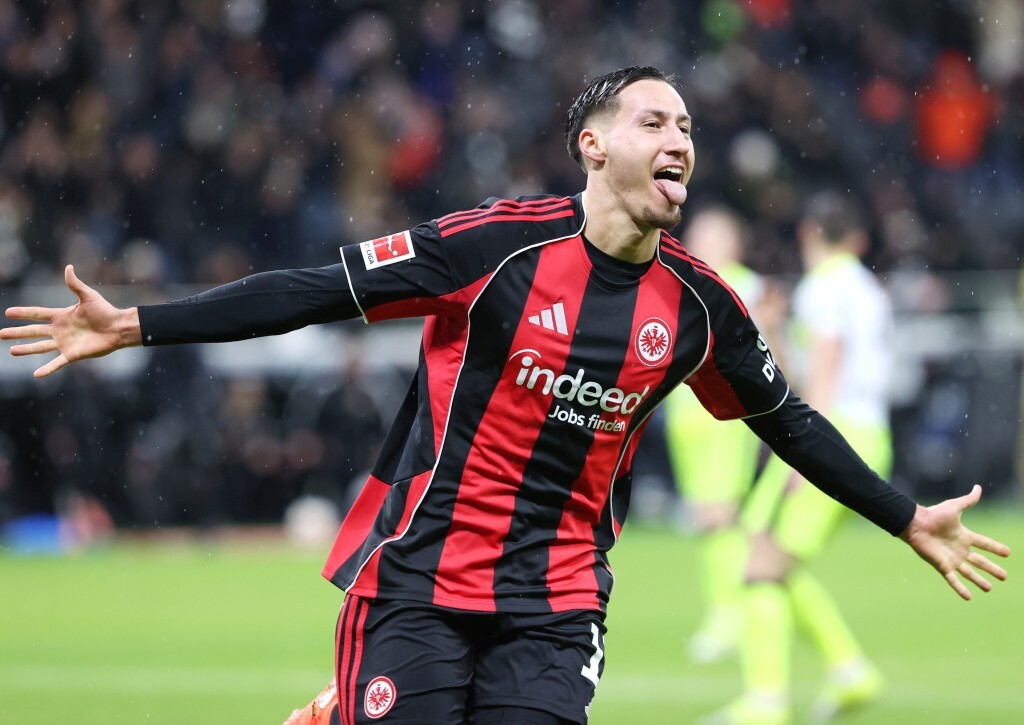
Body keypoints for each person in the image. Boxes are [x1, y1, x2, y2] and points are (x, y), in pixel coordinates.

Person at [1, 66, 1010, 725]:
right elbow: (316, 290)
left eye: (687, 126)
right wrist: (138, 322)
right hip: (421, 576)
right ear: (593, 145)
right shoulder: (491, 247)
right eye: (654, 120)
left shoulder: (700, 306)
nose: (679, 139)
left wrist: (903, 515)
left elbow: (787, 419)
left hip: (558, 599)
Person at [700, 192, 902, 725]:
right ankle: (847, 669)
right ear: (857, 240)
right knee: (771, 559)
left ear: (808, 234)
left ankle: (766, 702)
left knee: (758, 562)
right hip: (870, 432)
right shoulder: (867, 289)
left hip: (834, 433)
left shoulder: (823, 288)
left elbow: (825, 368)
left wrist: (808, 452)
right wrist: (771, 331)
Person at [661, 206, 784, 663]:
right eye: (701, 234)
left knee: (721, 515)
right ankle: (723, 611)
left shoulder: (747, 285)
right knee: (705, 516)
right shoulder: (680, 278)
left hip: (726, 418)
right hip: (685, 415)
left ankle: (731, 614)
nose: (705, 242)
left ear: (734, 243)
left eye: (715, 235)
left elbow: (768, 347)